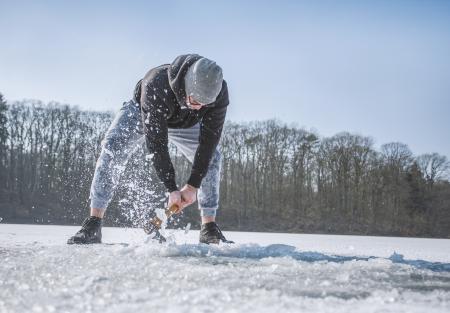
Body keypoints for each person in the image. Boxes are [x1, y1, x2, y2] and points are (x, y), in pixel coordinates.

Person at [67, 54, 232, 245]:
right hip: (143, 111)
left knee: (214, 157)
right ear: (187, 85)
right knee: (113, 146)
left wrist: (193, 185)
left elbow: (209, 141)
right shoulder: (156, 82)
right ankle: (94, 222)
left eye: (205, 105)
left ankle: (209, 228)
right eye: (196, 102)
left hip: (185, 124)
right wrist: (172, 187)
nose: (199, 109)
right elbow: (157, 143)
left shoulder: (219, 92)